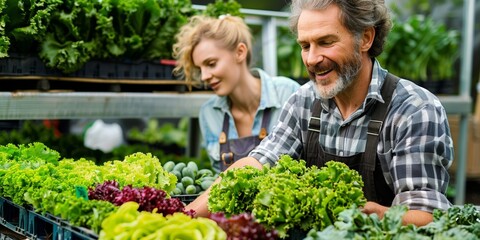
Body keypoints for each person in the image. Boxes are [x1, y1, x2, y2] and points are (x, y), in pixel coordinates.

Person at [185, 0, 454, 227]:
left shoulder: (414, 110)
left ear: (366, 38)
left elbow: (427, 215)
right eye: (305, 46)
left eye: (325, 42)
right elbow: (256, 164)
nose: (312, 58)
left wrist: (366, 215)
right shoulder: (303, 102)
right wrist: (184, 218)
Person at [172, 15, 301, 173]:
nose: (204, 76)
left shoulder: (288, 93)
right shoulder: (210, 113)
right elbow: (220, 179)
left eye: (211, 64)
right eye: (200, 69)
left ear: (240, 52)